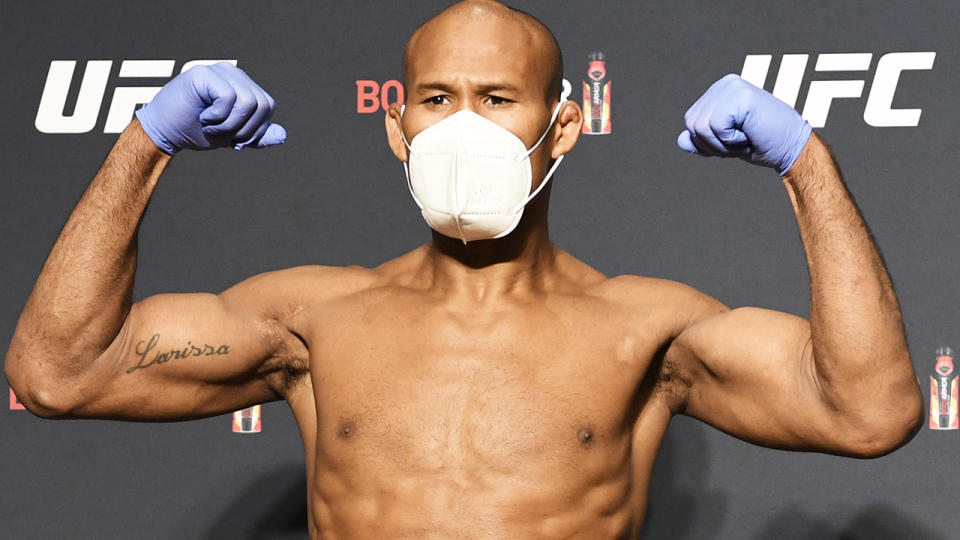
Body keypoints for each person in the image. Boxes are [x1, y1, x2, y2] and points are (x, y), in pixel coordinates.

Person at [5, 1, 922, 538]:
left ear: (562, 126)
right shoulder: (312, 321)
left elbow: (869, 412)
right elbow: (57, 373)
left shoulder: (649, 331)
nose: (464, 128)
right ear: (397, 130)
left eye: (497, 99)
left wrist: (806, 161)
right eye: (436, 100)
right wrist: (145, 144)